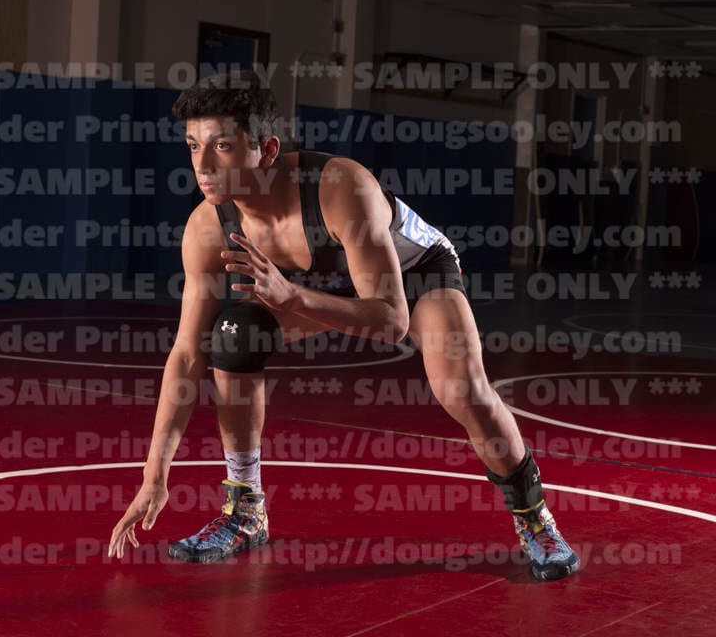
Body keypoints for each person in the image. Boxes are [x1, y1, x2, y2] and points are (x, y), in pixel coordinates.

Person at [108, 70, 580, 581]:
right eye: (193, 146)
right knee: (232, 337)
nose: (202, 165)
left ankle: (535, 518)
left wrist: (290, 296)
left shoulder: (340, 187)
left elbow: (392, 320)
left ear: (267, 150)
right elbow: (185, 354)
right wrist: (154, 474)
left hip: (413, 276)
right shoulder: (207, 226)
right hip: (318, 285)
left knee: (461, 390)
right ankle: (245, 509)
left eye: (222, 146)